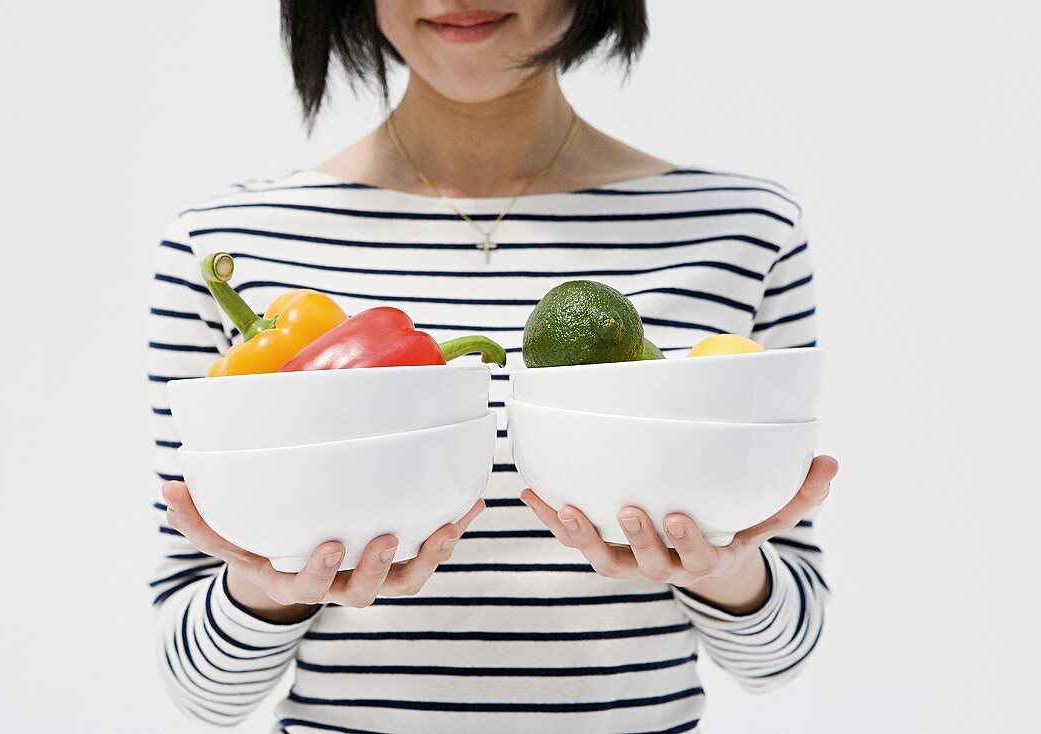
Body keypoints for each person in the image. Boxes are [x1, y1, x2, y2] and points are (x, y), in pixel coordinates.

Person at [148, 2, 839, 731]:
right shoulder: (227, 241)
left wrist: (724, 567)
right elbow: (203, 690)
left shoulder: (742, 230)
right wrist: (270, 587)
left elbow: (778, 658)